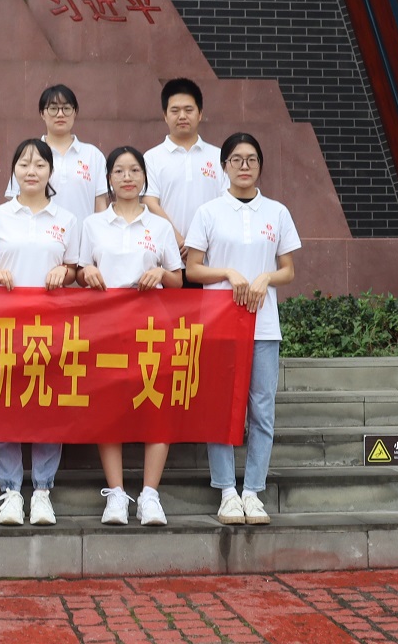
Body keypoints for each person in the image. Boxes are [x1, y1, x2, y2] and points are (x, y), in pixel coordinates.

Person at [186, 132, 298, 528]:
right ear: (225, 166)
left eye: (251, 159)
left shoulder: (277, 212)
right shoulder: (209, 212)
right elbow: (192, 269)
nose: (244, 166)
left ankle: (252, 490)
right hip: (219, 325)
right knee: (221, 407)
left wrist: (266, 277)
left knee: (261, 409)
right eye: (236, 159)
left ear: (260, 165)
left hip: (263, 326)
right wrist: (228, 273)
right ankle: (227, 492)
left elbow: (288, 269)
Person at [0, 138, 81, 527]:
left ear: (50, 171)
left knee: (47, 404)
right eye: (23, 164)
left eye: (39, 165)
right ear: (13, 171)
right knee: (6, 403)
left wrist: (64, 272)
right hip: (5, 325)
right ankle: (11, 491)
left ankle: (43, 491)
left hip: (51, 326)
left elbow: (74, 268)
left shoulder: (66, 219)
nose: (31, 171)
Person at [78, 145, 184, 527]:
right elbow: (81, 270)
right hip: (107, 327)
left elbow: (178, 279)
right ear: (108, 178)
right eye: (119, 171)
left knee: (156, 405)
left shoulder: (159, 227)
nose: (127, 177)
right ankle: (117, 495)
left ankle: (150, 495)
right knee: (110, 407)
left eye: (134, 170)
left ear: (144, 178)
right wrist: (86, 273)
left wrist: (161, 274)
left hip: (151, 327)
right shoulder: (93, 224)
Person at [143, 78, 227, 251]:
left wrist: (199, 245)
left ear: (200, 114)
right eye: (175, 110)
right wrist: (180, 241)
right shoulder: (151, 157)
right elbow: (150, 202)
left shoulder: (219, 156)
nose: (182, 116)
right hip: (168, 253)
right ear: (165, 116)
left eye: (189, 110)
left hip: (211, 252)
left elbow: (227, 202)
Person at [5, 84, 107, 220]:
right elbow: (15, 204)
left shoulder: (93, 155)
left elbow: (100, 206)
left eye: (66, 108)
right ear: (42, 113)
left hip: (82, 233)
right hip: (39, 233)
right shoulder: (28, 154)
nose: (60, 114)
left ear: (75, 112)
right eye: (53, 109)